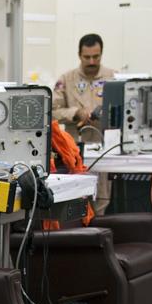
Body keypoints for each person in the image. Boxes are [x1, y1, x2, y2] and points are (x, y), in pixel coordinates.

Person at [53, 33, 116, 211]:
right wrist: (75, 113)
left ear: (101, 54)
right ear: (79, 55)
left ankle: (98, 230)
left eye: (96, 57)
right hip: (75, 147)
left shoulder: (113, 78)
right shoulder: (66, 79)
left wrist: (106, 113)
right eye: (87, 57)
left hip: (104, 147)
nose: (91, 61)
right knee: (76, 197)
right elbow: (51, 111)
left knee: (101, 196)